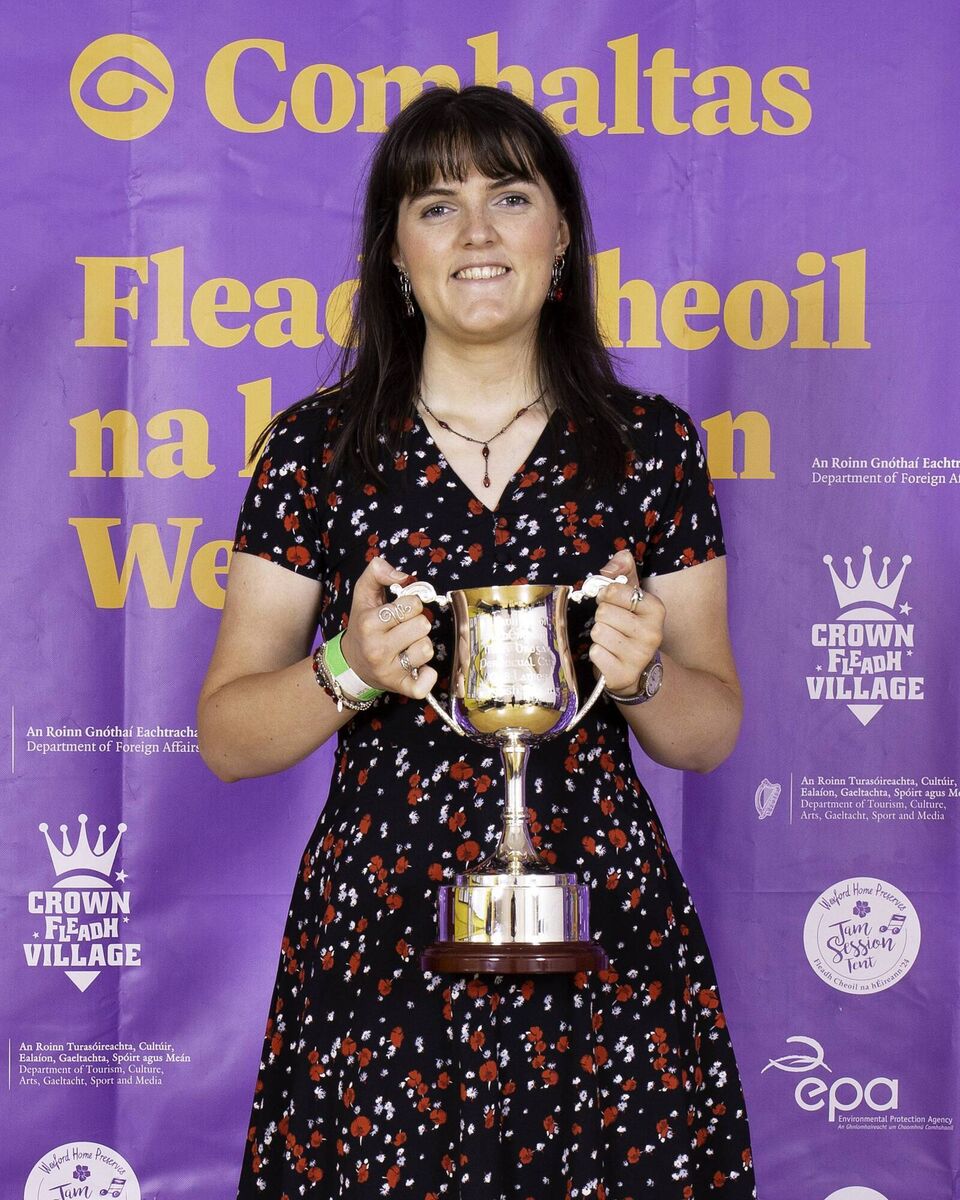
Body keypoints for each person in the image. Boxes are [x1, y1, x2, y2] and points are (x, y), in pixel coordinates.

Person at [198, 84, 756, 1199]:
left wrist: (641, 670)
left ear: (561, 236)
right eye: (438, 206)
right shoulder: (319, 450)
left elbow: (709, 733)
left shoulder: (648, 447)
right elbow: (227, 734)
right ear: (395, 252)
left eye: (511, 197)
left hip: (602, 922)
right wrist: (347, 670)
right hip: (381, 929)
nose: (480, 234)